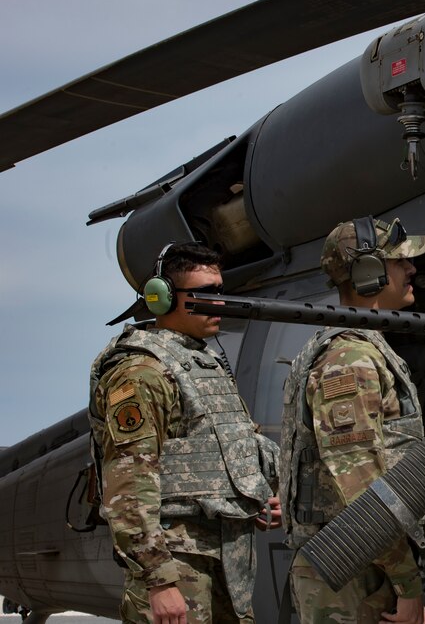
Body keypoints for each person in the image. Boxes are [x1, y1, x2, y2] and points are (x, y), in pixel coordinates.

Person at [88, 241, 281, 623]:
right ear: (162, 299)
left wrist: (256, 497)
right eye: (205, 294)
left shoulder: (203, 365)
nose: (219, 303)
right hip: (177, 567)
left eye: (220, 291)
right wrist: (159, 580)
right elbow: (128, 482)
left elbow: (226, 451)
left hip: (227, 563)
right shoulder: (142, 372)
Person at [280, 217, 425, 624]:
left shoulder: (358, 348)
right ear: (369, 273)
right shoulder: (352, 358)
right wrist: (407, 583)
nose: (411, 269)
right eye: (401, 261)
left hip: (363, 564)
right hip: (355, 571)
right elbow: (360, 482)